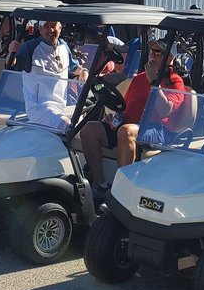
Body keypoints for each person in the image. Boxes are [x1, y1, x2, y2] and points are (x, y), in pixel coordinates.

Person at [78, 37, 187, 197]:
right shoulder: (139, 78)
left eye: (157, 52)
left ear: (169, 58)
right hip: (129, 126)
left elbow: (165, 110)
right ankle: (99, 184)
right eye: (151, 51)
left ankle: (121, 192)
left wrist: (153, 82)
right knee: (89, 129)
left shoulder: (175, 82)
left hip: (156, 131)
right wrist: (113, 117)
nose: (151, 55)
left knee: (126, 131)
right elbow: (127, 107)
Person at [10, 20, 88, 131]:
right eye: (46, 26)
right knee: (67, 127)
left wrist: (84, 71)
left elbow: (74, 68)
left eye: (53, 26)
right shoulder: (30, 47)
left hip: (61, 106)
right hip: (39, 108)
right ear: (40, 29)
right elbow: (13, 65)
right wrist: (11, 52)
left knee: (86, 121)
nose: (50, 30)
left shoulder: (64, 47)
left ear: (60, 28)